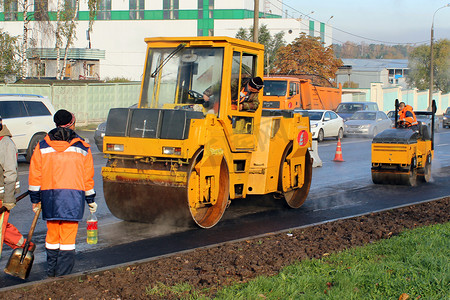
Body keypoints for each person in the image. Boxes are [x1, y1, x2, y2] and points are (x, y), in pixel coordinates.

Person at [28, 109, 97, 277]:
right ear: (72, 123)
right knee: (67, 237)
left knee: (52, 235)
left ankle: (51, 271)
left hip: (50, 197)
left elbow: (35, 174)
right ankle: (63, 275)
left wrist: (35, 199)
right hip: (72, 198)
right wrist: (90, 199)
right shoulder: (82, 146)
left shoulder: (42, 145)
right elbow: (87, 177)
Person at [0, 116, 35, 257]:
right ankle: (23, 245)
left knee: (1, 228)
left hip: (1, 196)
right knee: (3, 227)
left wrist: (8, 198)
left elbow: (10, 172)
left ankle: (23, 245)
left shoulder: (5, 143)